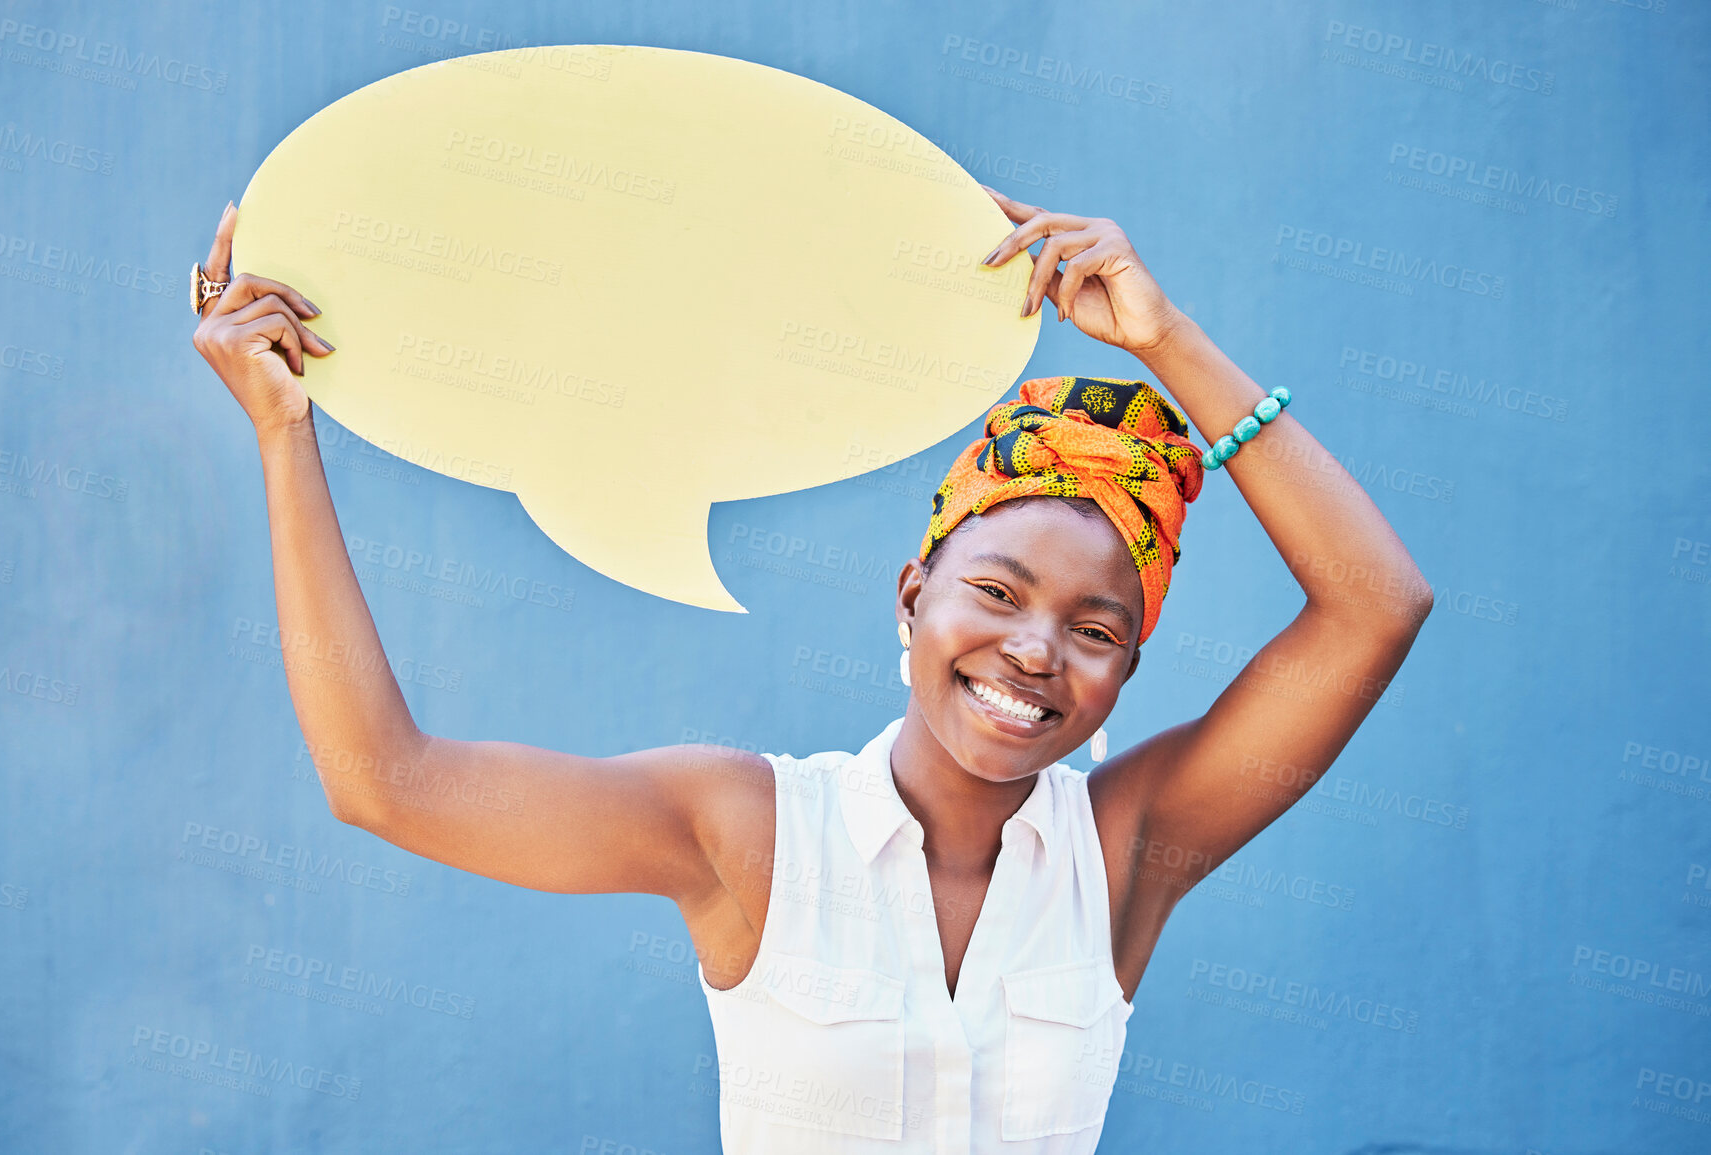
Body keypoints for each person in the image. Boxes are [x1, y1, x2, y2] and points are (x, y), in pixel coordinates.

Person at [191, 184, 1432, 1151]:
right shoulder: (747, 830)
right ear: (912, 598)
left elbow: (1378, 606)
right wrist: (283, 438)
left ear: (1125, 670)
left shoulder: (1128, 854)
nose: (1035, 650)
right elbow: (384, 780)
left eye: (1096, 630)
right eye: (995, 594)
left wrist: (1166, 338)